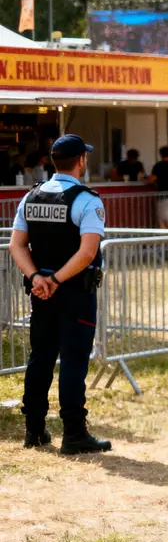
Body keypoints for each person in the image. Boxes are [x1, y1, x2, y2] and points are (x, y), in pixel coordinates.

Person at [10, 134, 111, 454]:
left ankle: (34, 430)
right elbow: (86, 254)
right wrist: (54, 280)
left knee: (40, 358)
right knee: (73, 360)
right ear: (81, 160)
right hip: (74, 293)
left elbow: (17, 245)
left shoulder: (31, 197)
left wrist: (38, 278)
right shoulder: (88, 200)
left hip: (41, 294)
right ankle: (74, 433)